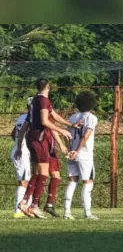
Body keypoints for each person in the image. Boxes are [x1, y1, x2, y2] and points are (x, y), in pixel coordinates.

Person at [17, 78, 78, 219]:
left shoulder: (34, 101)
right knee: (43, 173)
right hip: (40, 138)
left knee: (38, 172)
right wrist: (63, 131)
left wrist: (70, 124)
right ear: (48, 87)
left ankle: (25, 202)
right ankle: (33, 205)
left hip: (32, 138)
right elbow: (46, 121)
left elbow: (53, 116)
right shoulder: (44, 101)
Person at [63, 91, 98, 220]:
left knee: (72, 182)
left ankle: (67, 212)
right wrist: (77, 150)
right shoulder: (92, 118)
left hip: (72, 153)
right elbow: (86, 135)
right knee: (87, 182)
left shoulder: (72, 118)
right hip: (84, 154)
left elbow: (66, 134)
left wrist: (69, 150)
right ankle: (87, 213)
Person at [10, 97, 33, 218]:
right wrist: (21, 146)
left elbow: (13, 134)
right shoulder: (31, 118)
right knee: (24, 182)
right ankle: (18, 210)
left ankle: (26, 208)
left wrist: (18, 144)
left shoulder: (20, 117)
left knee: (24, 181)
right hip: (22, 152)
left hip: (17, 150)